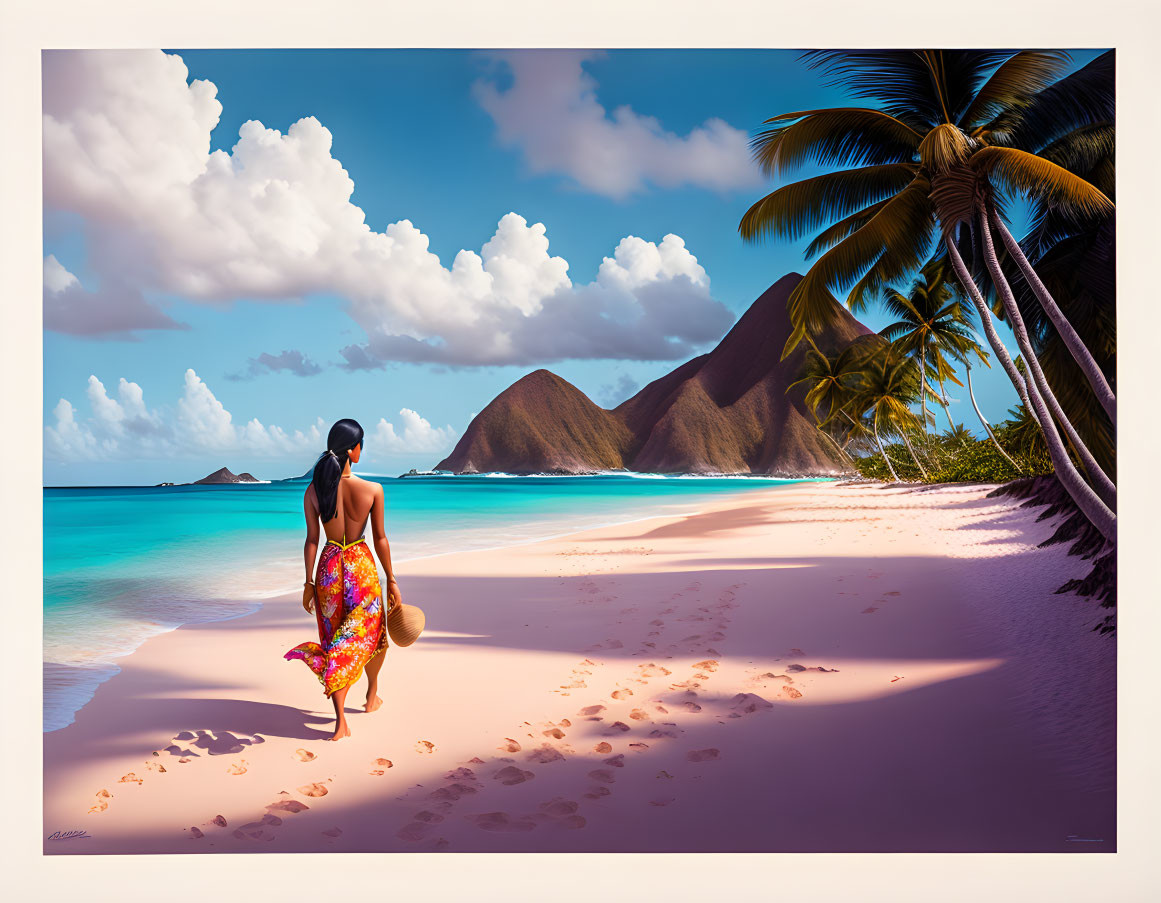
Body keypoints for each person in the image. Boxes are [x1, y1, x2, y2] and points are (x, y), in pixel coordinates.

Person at [284, 418, 402, 741]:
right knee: (372, 633)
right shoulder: (373, 490)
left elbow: (311, 540)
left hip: (329, 568)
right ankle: (371, 694)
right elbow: (380, 539)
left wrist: (308, 583)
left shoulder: (314, 491)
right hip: (360, 568)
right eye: (361, 444)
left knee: (335, 639)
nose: (362, 450)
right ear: (353, 450)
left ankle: (340, 721)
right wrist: (391, 578)